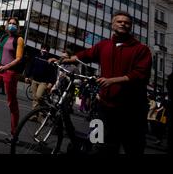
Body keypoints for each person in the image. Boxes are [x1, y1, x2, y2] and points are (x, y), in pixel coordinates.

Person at [49, 11, 152, 155]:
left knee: (133, 147)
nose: (123, 24)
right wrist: (62, 60)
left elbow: (140, 74)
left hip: (132, 110)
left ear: (131, 27)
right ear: (112, 25)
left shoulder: (141, 49)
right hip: (105, 106)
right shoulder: (104, 45)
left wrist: (112, 81)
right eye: (119, 21)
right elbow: (85, 55)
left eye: (127, 22)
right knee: (99, 144)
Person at [25, 44, 57, 111]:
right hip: (34, 79)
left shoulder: (50, 59)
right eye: (43, 48)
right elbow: (30, 66)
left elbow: (53, 73)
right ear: (41, 49)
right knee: (34, 97)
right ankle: (34, 114)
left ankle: (43, 109)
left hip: (43, 82)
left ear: (48, 51)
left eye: (46, 49)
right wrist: (27, 76)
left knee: (39, 97)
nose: (44, 50)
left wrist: (51, 83)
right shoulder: (36, 56)